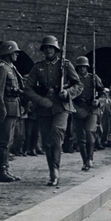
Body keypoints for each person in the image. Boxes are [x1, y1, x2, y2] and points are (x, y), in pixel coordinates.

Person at [24, 35, 83, 186]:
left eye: (51, 47)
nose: (48, 50)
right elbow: (28, 88)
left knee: (56, 135)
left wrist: (68, 92)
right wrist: (40, 100)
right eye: (46, 48)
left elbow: (79, 85)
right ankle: (52, 170)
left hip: (62, 107)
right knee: (47, 142)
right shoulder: (38, 67)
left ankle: (55, 171)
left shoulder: (65, 65)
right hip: (44, 108)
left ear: (56, 50)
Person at [0, 41, 23, 182]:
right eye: (15, 52)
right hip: (6, 111)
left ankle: (6, 169)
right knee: (2, 141)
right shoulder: (3, 69)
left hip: (12, 110)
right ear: (8, 53)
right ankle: (1, 172)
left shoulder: (11, 69)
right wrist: (1, 111)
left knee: (8, 141)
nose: (17, 54)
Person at [72, 56, 104, 170]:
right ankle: (84, 161)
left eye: (84, 67)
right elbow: (69, 94)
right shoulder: (73, 79)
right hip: (79, 108)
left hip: (92, 108)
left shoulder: (93, 78)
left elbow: (103, 94)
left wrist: (98, 101)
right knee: (80, 137)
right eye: (80, 67)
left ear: (87, 67)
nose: (82, 69)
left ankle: (90, 158)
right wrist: (74, 108)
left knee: (90, 131)